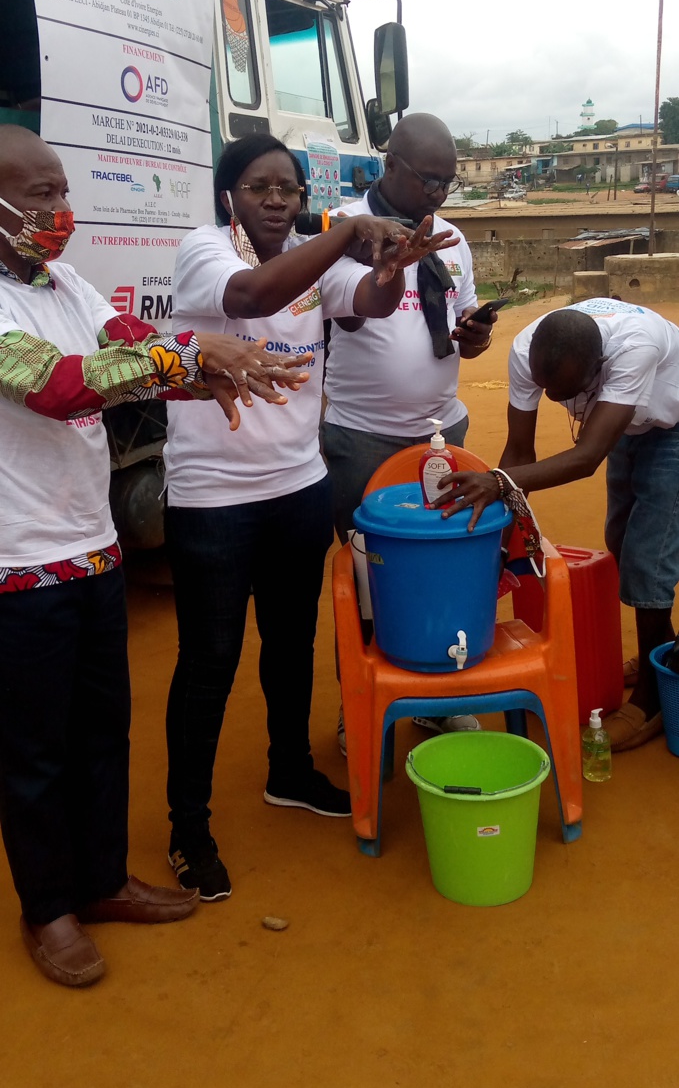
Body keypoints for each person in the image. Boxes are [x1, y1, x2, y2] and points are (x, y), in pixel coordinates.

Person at [0, 125, 309, 987]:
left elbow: (127, 339)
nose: (59, 211)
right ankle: (48, 907)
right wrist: (185, 353)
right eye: (38, 196)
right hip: (16, 565)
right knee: (32, 752)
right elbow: (58, 385)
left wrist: (211, 370)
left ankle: (100, 881)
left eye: (63, 192)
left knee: (102, 730)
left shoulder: (61, 277)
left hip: (92, 547)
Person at [163, 133, 457, 901]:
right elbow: (254, 296)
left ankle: (287, 771)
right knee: (210, 661)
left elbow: (364, 304)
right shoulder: (203, 250)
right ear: (228, 194)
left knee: (292, 641)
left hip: (297, 484)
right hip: (214, 496)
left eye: (288, 189)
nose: (276, 200)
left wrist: (388, 271)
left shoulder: (311, 256)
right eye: (259, 187)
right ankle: (187, 826)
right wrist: (345, 235)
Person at [319, 112, 496, 742]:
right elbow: (353, 311)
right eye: (429, 179)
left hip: (443, 433)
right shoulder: (342, 228)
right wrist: (388, 262)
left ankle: (435, 698)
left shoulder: (449, 234)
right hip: (363, 439)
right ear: (390, 164)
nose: (440, 195)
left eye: (449, 182)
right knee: (369, 579)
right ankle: (362, 703)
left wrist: (473, 335)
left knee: (443, 569)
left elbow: (458, 316)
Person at [436, 297, 679, 751]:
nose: (555, 400)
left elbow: (587, 458)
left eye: (567, 392)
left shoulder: (635, 348)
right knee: (621, 542)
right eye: (547, 388)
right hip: (629, 426)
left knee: (649, 558)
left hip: (672, 427)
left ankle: (652, 701)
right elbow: (520, 451)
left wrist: (498, 482)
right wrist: (501, 538)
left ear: (598, 369)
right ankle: (665, 658)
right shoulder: (530, 347)